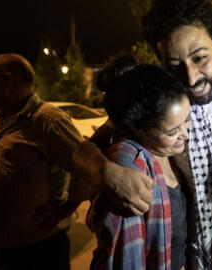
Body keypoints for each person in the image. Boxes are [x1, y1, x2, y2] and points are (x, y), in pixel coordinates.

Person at [73, 1, 212, 268]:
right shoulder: (168, 107)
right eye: (174, 65)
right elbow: (83, 151)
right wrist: (106, 173)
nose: (189, 78)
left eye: (200, 58)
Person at [0, 53, 89, 269]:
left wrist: (66, 208)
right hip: (4, 249)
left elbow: (86, 168)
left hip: (37, 251)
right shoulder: (4, 119)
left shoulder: (48, 119)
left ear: (8, 80)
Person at [87, 54, 192, 270]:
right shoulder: (129, 165)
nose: (186, 134)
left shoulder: (173, 152)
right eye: (172, 131)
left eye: (187, 120)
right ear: (138, 129)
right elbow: (126, 260)